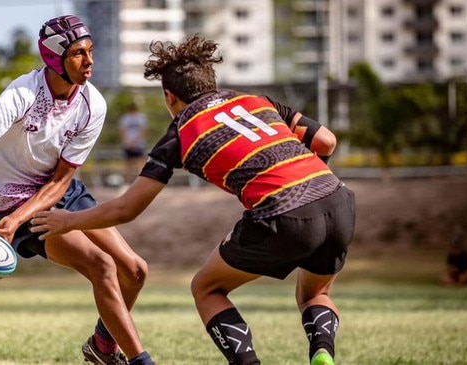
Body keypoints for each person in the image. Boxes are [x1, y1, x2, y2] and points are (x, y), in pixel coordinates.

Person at [30, 34, 356, 365]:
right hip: (337, 199)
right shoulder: (258, 101)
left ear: (169, 97)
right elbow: (326, 141)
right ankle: (322, 353)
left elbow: (127, 208)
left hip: (282, 211)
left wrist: (70, 221)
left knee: (207, 288)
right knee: (316, 294)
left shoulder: (180, 133)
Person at [0, 15, 155, 365]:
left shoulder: (93, 105)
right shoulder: (22, 93)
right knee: (102, 265)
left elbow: (60, 181)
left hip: (60, 192)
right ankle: (141, 362)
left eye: (90, 51)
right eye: (77, 53)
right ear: (54, 58)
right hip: (13, 199)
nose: (89, 61)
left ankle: (102, 346)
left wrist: (16, 223)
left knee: (135, 270)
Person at [119, 101, 148, 185]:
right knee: (128, 165)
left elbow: (143, 131)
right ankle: (127, 182)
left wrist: (135, 141)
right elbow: (122, 131)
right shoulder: (126, 118)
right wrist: (127, 141)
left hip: (138, 144)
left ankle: (141, 183)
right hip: (128, 144)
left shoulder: (141, 117)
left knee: (139, 163)